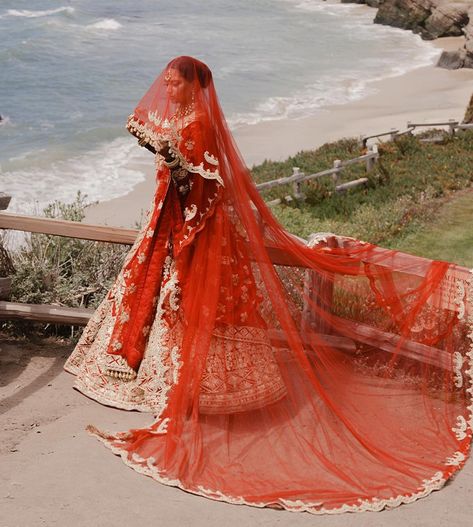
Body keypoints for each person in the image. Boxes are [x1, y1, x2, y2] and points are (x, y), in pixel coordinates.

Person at [65, 56, 472, 514]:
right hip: (171, 223)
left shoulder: (197, 122)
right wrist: (167, 163)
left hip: (190, 228)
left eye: (176, 83)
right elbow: (187, 172)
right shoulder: (183, 118)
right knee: (173, 301)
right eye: (166, 81)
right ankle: (173, 382)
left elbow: (203, 181)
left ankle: (195, 390)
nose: (168, 88)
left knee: (192, 304)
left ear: (195, 87)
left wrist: (176, 168)